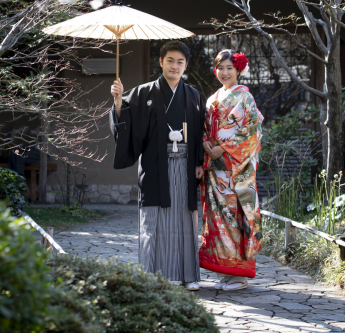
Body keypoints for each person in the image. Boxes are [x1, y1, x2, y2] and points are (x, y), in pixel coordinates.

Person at [110, 40, 206, 291]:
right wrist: (119, 101)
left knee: (185, 219)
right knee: (156, 219)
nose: (175, 66)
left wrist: (198, 161)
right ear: (160, 62)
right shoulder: (143, 92)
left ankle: (187, 275)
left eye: (180, 62)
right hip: (156, 164)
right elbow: (127, 123)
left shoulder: (193, 95)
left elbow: (198, 133)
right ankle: (156, 276)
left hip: (185, 165)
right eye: (170, 60)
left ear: (186, 65)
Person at [199, 49, 263, 291]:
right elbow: (206, 128)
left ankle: (240, 275)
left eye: (229, 68)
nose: (224, 72)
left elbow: (252, 133)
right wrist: (206, 142)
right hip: (215, 171)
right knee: (218, 219)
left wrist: (223, 149)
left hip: (235, 170)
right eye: (220, 68)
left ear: (238, 70)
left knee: (235, 217)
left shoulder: (245, 98)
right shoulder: (212, 98)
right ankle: (228, 268)